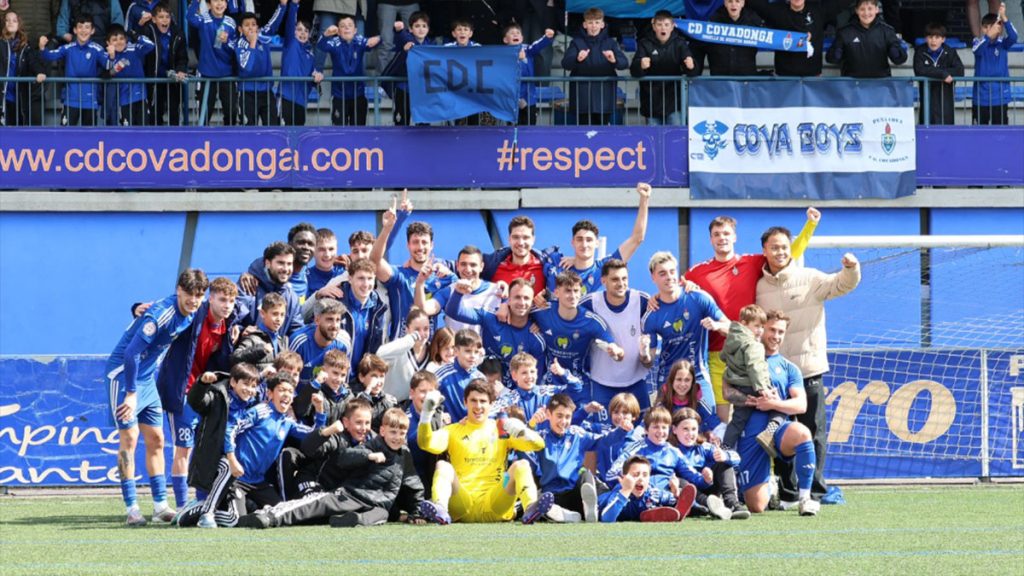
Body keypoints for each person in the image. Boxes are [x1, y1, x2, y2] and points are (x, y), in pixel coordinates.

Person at [756, 227, 860, 505]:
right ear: (764, 251)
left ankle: (813, 490)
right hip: (774, 375)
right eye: (774, 247)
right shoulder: (759, 286)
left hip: (808, 370)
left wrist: (851, 268)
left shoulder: (810, 277)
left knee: (813, 433)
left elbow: (842, 284)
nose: (780, 251)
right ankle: (788, 493)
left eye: (784, 246)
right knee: (780, 435)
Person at [684, 209, 818, 423]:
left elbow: (790, 252)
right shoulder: (697, 272)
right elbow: (672, 288)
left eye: (726, 233)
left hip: (751, 353)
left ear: (734, 237)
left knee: (759, 414)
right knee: (723, 421)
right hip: (717, 354)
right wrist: (656, 300)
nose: (722, 238)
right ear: (710, 239)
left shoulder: (752, 262)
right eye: (717, 234)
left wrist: (810, 225)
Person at [105, 269, 208, 526]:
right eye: (190, 294)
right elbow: (130, 354)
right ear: (179, 291)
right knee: (129, 439)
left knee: (158, 439)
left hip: (147, 379)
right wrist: (130, 394)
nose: (194, 300)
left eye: (199, 295)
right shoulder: (162, 314)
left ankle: (161, 506)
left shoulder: (191, 312)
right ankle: (132, 509)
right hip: (123, 375)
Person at [240, 407, 424, 528]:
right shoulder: (372, 444)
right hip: (350, 494)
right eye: (393, 432)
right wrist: (368, 456)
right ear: (383, 431)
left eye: (402, 433)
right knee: (314, 506)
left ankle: (353, 521)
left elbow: (412, 483)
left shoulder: (404, 455)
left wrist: (416, 512)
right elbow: (345, 457)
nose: (397, 437)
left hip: (378, 505)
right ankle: (270, 516)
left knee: (380, 516)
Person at [183, 372, 326, 527]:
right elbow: (231, 429)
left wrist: (320, 412)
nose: (286, 395)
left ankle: (232, 507)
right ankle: (197, 509)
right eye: (282, 390)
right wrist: (232, 458)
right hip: (238, 478)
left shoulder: (288, 422)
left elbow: (312, 436)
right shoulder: (260, 411)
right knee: (235, 520)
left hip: (258, 482)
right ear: (270, 393)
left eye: (290, 392)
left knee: (279, 511)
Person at [149, 277, 241, 510]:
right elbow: (169, 306)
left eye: (231, 301)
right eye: (222, 299)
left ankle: (200, 501)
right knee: (184, 448)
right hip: (180, 392)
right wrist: (140, 306)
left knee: (204, 447)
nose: (227, 305)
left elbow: (251, 306)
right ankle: (181, 506)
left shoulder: (227, 326)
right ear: (210, 299)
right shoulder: (194, 315)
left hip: (205, 395)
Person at [417, 381, 554, 525]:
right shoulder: (453, 430)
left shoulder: (502, 429)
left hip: (495, 502)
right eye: (473, 401)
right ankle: (440, 509)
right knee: (443, 465)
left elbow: (539, 445)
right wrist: (426, 415)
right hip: (462, 504)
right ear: (465, 402)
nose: (478, 406)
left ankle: (531, 507)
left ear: (491, 404)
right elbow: (426, 443)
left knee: (522, 465)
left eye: (483, 401)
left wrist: (524, 432)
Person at [725, 310, 819, 516]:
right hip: (748, 432)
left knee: (803, 433)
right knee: (756, 506)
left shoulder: (789, 368)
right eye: (771, 330)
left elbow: (800, 405)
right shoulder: (742, 356)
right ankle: (770, 485)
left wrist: (774, 404)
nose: (775, 336)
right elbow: (726, 391)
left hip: (776, 429)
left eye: (781, 332)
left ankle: (805, 498)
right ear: (760, 329)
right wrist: (747, 400)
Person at [643, 251, 730, 424]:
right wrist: (644, 353)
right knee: (663, 428)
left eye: (671, 271)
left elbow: (731, 327)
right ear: (653, 277)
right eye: (662, 273)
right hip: (668, 378)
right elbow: (649, 361)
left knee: (711, 426)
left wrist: (717, 326)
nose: (669, 277)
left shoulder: (698, 298)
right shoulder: (651, 314)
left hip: (698, 375)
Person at [181, 363, 259, 526]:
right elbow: (196, 401)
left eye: (253, 386)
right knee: (229, 467)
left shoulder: (251, 402)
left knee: (234, 520)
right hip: (210, 461)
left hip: (231, 472)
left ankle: (196, 510)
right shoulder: (217, 395)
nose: (249, 390)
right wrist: (202, 383)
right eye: (245, 384)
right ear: (233, 382)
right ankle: (205, 513)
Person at [545, 183, 651, 298]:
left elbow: (637, 238)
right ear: (572, 242)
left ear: (597, 243)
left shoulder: (603, 268)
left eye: (589, 240)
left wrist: (644, 199)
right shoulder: (558, 264)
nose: (584, 244)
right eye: (579, 239)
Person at [370, 197, 455, 339]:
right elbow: (373, 262)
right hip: (400, 350)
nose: (420, 247)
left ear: (432, 245)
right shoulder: (400, 275)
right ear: (408, 245)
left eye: (424, 242)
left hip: (429, 350)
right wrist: (386, 229)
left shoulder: (444, 278)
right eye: (415, 242)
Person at [531, 271, 624, 399]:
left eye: (576, 291)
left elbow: (616, 350)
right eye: (568, 291)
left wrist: (616, 351)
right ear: (557, 293)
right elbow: (517, 313)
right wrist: (529, 324)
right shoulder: (543, 312)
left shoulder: (591, 320)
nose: (573, 296)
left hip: (580, 384)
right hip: (549, 383)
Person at [445, 278, 546, 389]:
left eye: (526, 298)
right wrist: (458, 293)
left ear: (532, 303)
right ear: (509, 300)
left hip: (514, 396)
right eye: (517, 297)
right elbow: (454, 312)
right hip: (481, 389)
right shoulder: (491, 317)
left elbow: (535, 382)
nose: (522, 302)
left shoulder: (536, 338)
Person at [580, 259, 652, 411]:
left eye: (624, 278)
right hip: (602, 383)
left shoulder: (642, 300)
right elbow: (567, 313)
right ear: (603, 281)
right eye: (615, 279)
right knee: (602, 432)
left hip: (636, 382)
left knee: (642, 431)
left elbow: (666, 304)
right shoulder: (590, 303)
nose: (621, 283)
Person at [721, 304, 782, 454]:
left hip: (738, 386)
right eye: (756, 326)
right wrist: (762, 389)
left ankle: (725, 448)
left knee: (737, 421)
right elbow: (755, 367)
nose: (760, 331)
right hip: (752, 386)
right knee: (779, 407)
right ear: (744, 324)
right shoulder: (754, 345)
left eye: (762, 327)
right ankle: (769, 432)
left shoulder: (731, 340)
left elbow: (723, 357)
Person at [670, 407, 747, 520]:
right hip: (692, 493)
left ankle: (731, 503)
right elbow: (688, 475)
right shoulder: (670, 450)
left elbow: (737, 458)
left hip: (709, 487)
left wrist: (725, 456)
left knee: (723, 463)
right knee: (679, 480)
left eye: (693, 429)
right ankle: (709, 505)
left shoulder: (703, 447)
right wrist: (705, 479)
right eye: (685, 429)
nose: (690, 433)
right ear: (674, 430)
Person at [535, 394, 602, 523]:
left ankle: (589, 509)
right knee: (543, 503)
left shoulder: (577, 434)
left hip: (574, 494)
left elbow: (602, 441)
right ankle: (566, 516)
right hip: (552, 496)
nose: (563, 421)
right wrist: (531, 424)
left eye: (568, 417)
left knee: (586, 475)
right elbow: (523, 444)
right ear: (548, 414)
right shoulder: (540, 438)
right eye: (559, 416)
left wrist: (621, 432)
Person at [561, 7, 628, 125]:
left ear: (602, 24)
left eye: (597, 22)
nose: (593, 26)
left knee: (602, 131)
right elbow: (565, 63)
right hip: (582, 97)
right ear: (584, 24)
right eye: (590, 22)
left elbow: (624, 64)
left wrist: (614, 60)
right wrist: (577, 58)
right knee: (584, 132)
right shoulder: (576, 42)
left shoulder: (611, 43)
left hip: (604, 97)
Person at [745, 0, 844, 77]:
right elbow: (756, 4)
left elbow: (842, 3)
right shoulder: (777, 11)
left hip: (813, 80)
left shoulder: (819, 10)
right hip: (784, 79)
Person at [39, 17, 108, 126]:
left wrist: (112, 56)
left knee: (89, 137)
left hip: (90, 100)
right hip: (70, 99)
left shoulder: (97, 49)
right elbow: (50, 56)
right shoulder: (68, 48)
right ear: (75, 30)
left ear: (92, 30)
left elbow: (108, 65)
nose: (83, 30)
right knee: (65, 136)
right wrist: (42, 47)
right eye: (80, 27)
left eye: (87, 27)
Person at [417, 246, 500, 335]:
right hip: (454, 348)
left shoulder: (496, 291)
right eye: (463, 264)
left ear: (481, 266)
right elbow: (424, 310)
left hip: (483, 348)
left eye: (473, 265)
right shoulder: (448, 291)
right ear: (457, 266)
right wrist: (420, 282)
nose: (468, 270)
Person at [630, 11, 693, 126]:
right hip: (651, 102)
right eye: (659, 24)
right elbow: (633, 71)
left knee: (675, 138)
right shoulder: (644, 44)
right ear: (654, 26)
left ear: (672, 27)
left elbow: (691, 71)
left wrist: (691, 66)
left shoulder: (680, 44)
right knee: (653, 140)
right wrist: (640, 65)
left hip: (674, 102)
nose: (663, 28)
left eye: (666, 24)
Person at [318, 16, 380, 126]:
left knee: (358, 131)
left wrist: (380, 38)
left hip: (358, 96)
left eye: (350, 25)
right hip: (339, 97)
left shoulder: (360, 41)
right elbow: (321, 45)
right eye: (342, 26)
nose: (346, 28)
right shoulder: (334, 42)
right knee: (339, 132)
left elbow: (374, 43)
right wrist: (326, 34)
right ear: (338, 30)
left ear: (355, 30)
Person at [237, 241, 304, 338]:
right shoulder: (248, 286)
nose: (286, 269)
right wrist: (242, 331)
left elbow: (296, 331)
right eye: (281, 263)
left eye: (289, 264)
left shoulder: (292, 297)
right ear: (268, 263)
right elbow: (232, 322)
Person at [598, 455, 694, 522]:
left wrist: (676, 493)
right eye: (636, 475)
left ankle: (654, 513)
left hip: (647, 507)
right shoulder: (619, 492)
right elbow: (606, 519)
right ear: (624, 477)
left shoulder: (652, 494)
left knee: (671, 500)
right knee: (596, 491)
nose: (641, 479)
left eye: (645, 475)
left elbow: (678, 501)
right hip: (599, 502)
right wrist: (625, 491)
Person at [187, 0, 238, 126]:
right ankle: (203, 141)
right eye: (216, 1)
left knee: (231, 112)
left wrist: (226, 42)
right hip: (206, 73)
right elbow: (189, 17)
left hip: (227, 75)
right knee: (204, 113)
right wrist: (196, 1)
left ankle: (229, 141)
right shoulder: (204, 19)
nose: (219, 4)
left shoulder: (231, 22)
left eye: (222, 1)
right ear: (209, 4)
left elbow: (236, 46)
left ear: (226, 5)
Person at [826, 0, 907, 78]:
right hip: (852, 87)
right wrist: (835, 54)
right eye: (862, 9)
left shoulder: (887, 31)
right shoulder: (845, 32)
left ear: (877, 9)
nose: (866, 13)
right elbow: (830, 59)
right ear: (856, 10)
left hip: (881, 86)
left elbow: (899, 60)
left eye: (870, 9)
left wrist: (896, 53)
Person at [138, 2, 188, 126]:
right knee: (155, 113)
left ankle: (175, 142)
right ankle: (156, 143)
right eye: (161, 17)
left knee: (174, 113)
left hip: (172, 80)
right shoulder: (148, 32)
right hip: (154, 80)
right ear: (154, 19)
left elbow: (182, 57)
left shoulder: (178, 34)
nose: (165, 20)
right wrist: (140, 25)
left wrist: (181, 70)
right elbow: (134, 38)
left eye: (167, 16)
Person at [235, 6, 285, 127]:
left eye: (253, 24)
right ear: (240, 29)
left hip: (266, 92)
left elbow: (273, 23)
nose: (251, 27)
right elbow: (247, 67)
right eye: (247, 25)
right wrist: (252, 43)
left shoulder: (262, 37)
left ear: (257, 27)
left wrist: (282, 6)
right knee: (249, 130)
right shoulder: (239, 45)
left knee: (273, 127)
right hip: (247, 93)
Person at [336, 258, 389, 371]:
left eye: (370, 278)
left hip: (362, 377)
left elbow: (376, 347)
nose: (366, 284)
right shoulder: (336, 301)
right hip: (338, 374)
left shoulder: (379, 308)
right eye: (361, 278)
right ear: (350, 279)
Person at [288, 298, 352, 386]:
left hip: (328, 397)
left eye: (338, 320)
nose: (335, 326)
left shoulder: (344, 343)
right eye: (329, 319)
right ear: (317, 320)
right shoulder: (299, 342)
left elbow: (344, 382)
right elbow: (286, 381)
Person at [279, 0, 324, 126]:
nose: (303, 33)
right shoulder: (291, 43)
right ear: (293, 32)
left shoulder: (311, 54)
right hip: (286, 97)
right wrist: (293, 4)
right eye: (299, 30)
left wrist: (318, 77)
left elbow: (313, 76)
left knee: (298, 138)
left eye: (306, 31)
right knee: (284, 136)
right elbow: (290, 23)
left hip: (301, 101)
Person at [382, 13, 431, 125]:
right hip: (404, 88)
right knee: (401, 122)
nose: (421, 29)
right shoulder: (407, 40)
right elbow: (401, 37)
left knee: (424, 124)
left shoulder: (431, 45)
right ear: (410, 29)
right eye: (417, 26)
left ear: (428, 29)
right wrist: (399, 30)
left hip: (423, 90)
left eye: (424, 26)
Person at [402, 371, 445, 497]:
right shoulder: (402, 418)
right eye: (422, 391)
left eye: (430, 391)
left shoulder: (441, 417)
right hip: (410, 479)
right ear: (411, 393)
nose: (427, 397)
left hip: (432, 477)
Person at [653, 359, 721, 439]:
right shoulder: (662, 404)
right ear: (671, 381)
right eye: (679, 379)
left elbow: (717, 426)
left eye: (687, 380)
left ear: (692, 383)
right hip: (667, 448)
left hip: (693, 447)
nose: (682, 384)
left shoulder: (699, 403)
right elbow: (647, 426)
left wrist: (714, 437)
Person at [972, 5, 1017, 125]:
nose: (989, 30)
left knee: (1001, 133)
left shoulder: (1003, 43)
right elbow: (977, 51)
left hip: (1000, 96)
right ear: (982, 29)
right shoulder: (977, 42)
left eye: (992, 27)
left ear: (999, 28)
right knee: (979, 133)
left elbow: (1013, 37)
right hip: (981, 97)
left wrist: (1004, 18)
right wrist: (988, 37)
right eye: (986, 27)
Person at [913, 22, 964, 126]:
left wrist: (938, 72)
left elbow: (959, 70)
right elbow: (920, 70)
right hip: (927, 102)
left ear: (943, 39)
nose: (933, 40)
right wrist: (942, 74)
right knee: (927, 131)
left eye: (937, 37)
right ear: (926, 38)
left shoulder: (950, 52)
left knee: (946, 133)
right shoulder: (919, 52)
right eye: (930, 37)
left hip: (945, 101)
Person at [1, 11, 46, 127]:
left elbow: (34, 62)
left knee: (17, 130)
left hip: (18, 97)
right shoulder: (1, 43)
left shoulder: (25, 47)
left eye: (14, 20)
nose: (11, 22)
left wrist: (40, 72)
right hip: (3, 95)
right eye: (8, 20)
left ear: (19, 25)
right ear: (3, 23)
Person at [503, 23, 554, 125]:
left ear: (522, 38)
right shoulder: (503, 54)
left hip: (529, 97)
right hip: (511, 97)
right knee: (512, 128)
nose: (515, 35)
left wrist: (547, 37)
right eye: (512, 33)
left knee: (530, 126)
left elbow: (537, 45)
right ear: (505, 40)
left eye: (518, 33)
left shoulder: (527, 49)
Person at [377, 308, 432, 401]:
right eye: (417, 329)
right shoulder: (399, 347)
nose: (422, 334)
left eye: (426, 329)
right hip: (392, 408)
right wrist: (410, 339)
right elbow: (379, 355)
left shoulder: (432, 351)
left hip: (418, 409)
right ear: (407, 329)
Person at [103, 24, 153, 125]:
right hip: (123, 99)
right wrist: (112, 57)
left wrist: (137, 37)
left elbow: (151, 45)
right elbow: (107, 73)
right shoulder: (107, 55)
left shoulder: (134, 49)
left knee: (144, 128)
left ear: (126, 39)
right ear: (108, 43)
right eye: (114, 39)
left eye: (121, 38)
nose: (119, 42)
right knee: (127, 130)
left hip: (141, 96)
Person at [231, 292, 288, 374]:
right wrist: (260, 350)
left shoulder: (282, 340)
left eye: (282, 315)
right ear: (262, 313)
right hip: (255, 385)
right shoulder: (253, 337)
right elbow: (235, 358)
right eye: (275, 314)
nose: (279, 319)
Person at [435, 329, 486, 422]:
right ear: (456, 351)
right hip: (449, 431)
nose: (472, 356)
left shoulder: (481, 378)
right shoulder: (442, 375)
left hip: (473, 431)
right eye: (468, 351)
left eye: (476, 352)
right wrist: (439, 415)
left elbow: (487, 408)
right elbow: (426, 402)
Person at [291, 348, 351, 426]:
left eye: (343, 375)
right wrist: (316, 383)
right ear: (323, 370)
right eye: (335, 373)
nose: (339, 379)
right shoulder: (314, 390)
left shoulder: (347, 395)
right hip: (316, 435)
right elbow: (299, 410)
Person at [593, 392, 645, 481]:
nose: (620, 416)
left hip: (625, 483)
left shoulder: (638, 438)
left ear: (634, 417)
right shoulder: (603, 430)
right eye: (616, 412)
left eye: (625, 413)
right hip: (603, 481)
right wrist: (585, 411)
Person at [706, 0, 763, 76]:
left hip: (746, 80)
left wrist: (782, 38)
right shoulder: (713, 21)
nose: (733, 4)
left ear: (743, 3)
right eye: (730, 1)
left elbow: (771, 37)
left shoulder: (754, 21)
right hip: (720, 80)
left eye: (737, 1)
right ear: (725, 3)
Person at [353, 354, 399, 429]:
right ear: (361, 377)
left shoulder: (389, 401)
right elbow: (357, 412)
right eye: (374, 376)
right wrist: (368, 390)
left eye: (382, 376)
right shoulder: (353, 396)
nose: (378, 381)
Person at [376, 0, 420, 73]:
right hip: (386, 2)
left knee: (413, 44)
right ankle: (383, 80)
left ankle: (413, 77)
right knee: (385, 44)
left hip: (411, 3)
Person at [56, 0, 124, 43]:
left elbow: (118, 23)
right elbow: (62, 23)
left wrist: (113, 41)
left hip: (103, 43)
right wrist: (69, 38)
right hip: (78, 44)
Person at [307, 229, 346, 296]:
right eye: (322, 249)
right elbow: (302, 305)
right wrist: (318, 294)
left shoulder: (345, 272)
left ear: (337, 249)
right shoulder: (306, 277)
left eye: (331, 249)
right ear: (313, 251)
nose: (327, 254)